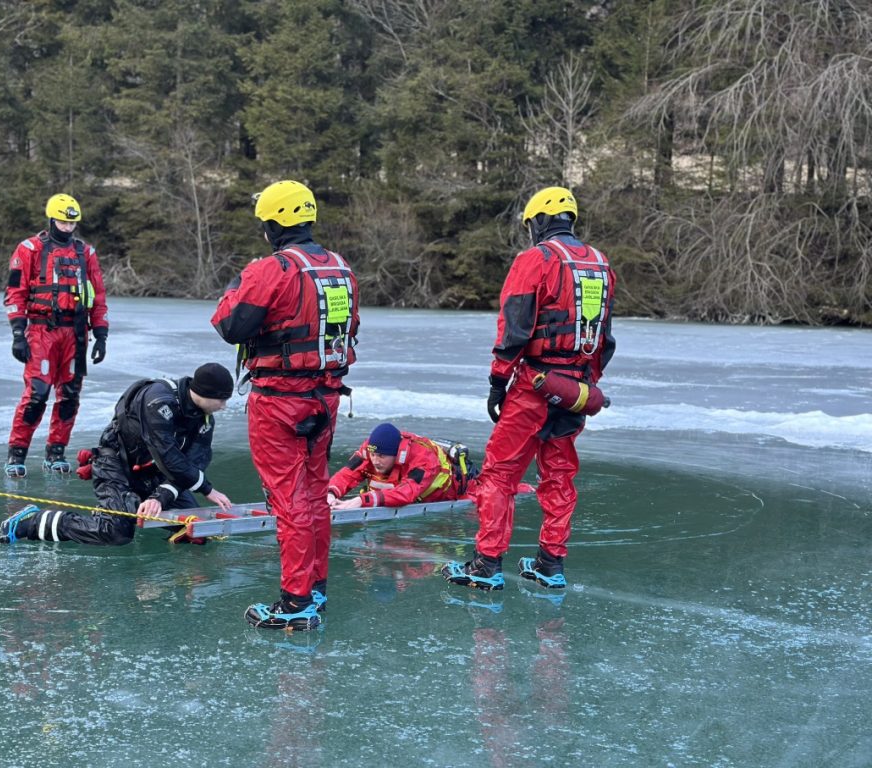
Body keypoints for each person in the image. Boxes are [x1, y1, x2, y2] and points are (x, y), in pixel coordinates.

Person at [443, 186, 616, 591]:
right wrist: (583, 387)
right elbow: (604, 338)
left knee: (499, 474)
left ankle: (486, 564)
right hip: (575, 389)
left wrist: (497, 382)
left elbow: (515, 327)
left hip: (533, 386)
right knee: (559, 476)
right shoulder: (600, 265)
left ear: (539, 221)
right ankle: (550, 564)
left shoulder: (536, 260)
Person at [211, 179, 359, 631]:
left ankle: (295, 601)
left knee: (289, 500)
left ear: (274, 225)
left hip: (279, 402)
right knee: (314, 496)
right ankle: (316, 589)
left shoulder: (270, 270)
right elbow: (349, 328)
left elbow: (230, 326)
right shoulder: (340, 268)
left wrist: (237, 282)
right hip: (325, 399)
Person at [0, 363, 235, 546]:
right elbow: (167, 454)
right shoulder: (158, 400)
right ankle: (31, 521)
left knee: (193, 526)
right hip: (116, 463)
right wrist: (207, 490)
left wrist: (159, 497)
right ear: (204, 392)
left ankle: (130, 506)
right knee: (116, 532)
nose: (224, 406)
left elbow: (195, 462)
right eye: (221, 399)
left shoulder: (204, 420)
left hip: (153, 471)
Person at [3, 193, 109, 477]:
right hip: (42, 331)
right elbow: (14, 292)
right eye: (63, 222)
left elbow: (98, 296)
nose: (67, 227)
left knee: (70, 396)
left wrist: (101, 334)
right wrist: (18, 333)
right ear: (51, 219)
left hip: (76, 333)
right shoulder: (29, 249)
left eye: (72, 223)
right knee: (37, 395)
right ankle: (17, 454)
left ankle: (56, 453)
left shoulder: (86, 254)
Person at [327, 422, 474, 510]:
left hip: (455, 492)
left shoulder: (424, 460)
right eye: (373, 455)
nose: (375, 460)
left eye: (382, 456)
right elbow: (347, 474)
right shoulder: (371, 449)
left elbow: (406, 493)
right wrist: (330, 494)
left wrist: (362, 500)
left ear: (397, 454)